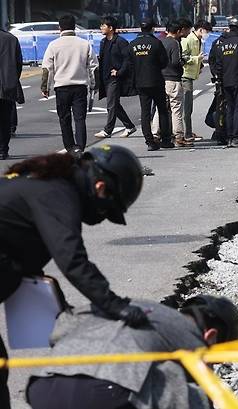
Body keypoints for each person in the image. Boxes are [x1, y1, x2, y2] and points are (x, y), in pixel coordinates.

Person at [0, 145, 149, 408]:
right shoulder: (57, 193)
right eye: (107, 211)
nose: (102, 218)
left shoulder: (47, 182)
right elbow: (72, 259)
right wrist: (116, 306)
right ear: (101, 188)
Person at [26, 295, 238, 409]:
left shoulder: (127, 305)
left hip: (44, 388)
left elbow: (60, 327)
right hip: (105, 396)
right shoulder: (190, 338)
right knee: (192, 395)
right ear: (211, 336)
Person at [41, 15, 98, 154]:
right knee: (80, 119)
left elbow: (47, 69)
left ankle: (70, 147)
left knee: (64, 119)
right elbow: (94, 67)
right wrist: (93, 85)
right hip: (80, 87)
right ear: (74, 26)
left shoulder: (53, 45)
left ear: (59, 28)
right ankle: (81, 147)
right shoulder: (84, 44)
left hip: (62, 88)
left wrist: (45, 88)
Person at [210, 16, 238, 148]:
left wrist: (220, 79)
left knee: (229, 109)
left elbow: (217, 66)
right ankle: (237, 137)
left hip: (225, 82)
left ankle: (229, 137)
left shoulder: (221, 45)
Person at [129, 18, 174, 151]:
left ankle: (149, 141)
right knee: (162, 110)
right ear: (152, 29)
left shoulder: (132, 44)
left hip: (140, 82)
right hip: (156, 81)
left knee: (145, 112)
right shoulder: (156, 43)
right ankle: (166, 140)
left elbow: (129, 64)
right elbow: (164, 62)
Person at [94, 16, 138, 140]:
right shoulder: (103, 42)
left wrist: (119, 72)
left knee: (111, 104)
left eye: (103, 25)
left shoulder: (121, 42)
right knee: (115, 104)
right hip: (106, 77)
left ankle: (108, 130)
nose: (101, 28)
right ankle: (129, 126)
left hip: (116, 78)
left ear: (111, 28)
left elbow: (128, 60)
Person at [152, 21, 192, 147]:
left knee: (160, 109)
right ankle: (179, 136)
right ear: (178, 31)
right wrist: (183, 61)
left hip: (160, 79)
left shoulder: (160, 41)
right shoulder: (174, 43)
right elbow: (175, 62)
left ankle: (155, 134)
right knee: (176, 109)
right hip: (173, 79)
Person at [181, 20, 211, 142]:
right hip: (185, 76)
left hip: (191, 75)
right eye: (206, 31)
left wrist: (200, 66)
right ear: (200, 30)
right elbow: (182, 57)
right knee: (186, 108)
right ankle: (185, 134)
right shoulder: (188, 39)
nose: (207, 34)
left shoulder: (198, 40)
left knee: (188, 107)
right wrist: (196, 59)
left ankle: (187, 131)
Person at [0, 26, 24, 160]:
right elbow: (18, 63)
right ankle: (3, 150)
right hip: (7, 85)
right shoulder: (12, 39)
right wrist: (13, 78)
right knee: (5, 120)